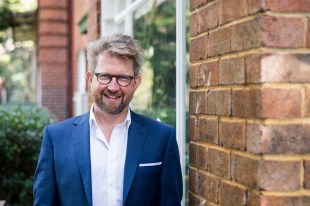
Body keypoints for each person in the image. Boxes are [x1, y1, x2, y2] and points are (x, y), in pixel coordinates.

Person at [33, 33, 183, 206]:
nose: (113, 87)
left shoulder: (162, 138)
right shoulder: (56, 138)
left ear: (136, 82)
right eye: (105, 76)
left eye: (123, 78)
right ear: (90, 79)